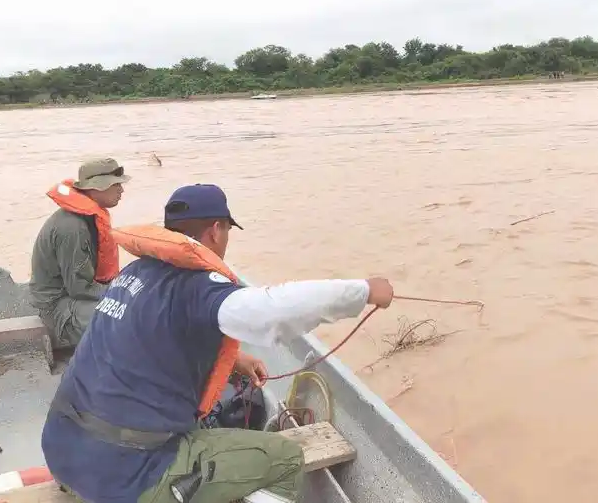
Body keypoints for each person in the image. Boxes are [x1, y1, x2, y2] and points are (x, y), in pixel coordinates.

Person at [41, 183, 395, 503]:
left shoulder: (135, 274)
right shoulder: (200, 287)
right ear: (216, 230)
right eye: (227, 230)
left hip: (63, 452)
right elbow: (271, 309)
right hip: (127, 479)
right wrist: (363, 291)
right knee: (286, 459)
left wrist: (236, 359)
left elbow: (149, 338)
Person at [28, 157, 130, 349]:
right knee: (127, 320)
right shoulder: (74, 228)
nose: (121, 190)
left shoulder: (88, 218)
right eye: (116, 185)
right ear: (97, 187)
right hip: (58, 308)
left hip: (75, 296)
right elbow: (80, 288)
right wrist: (122, 294)